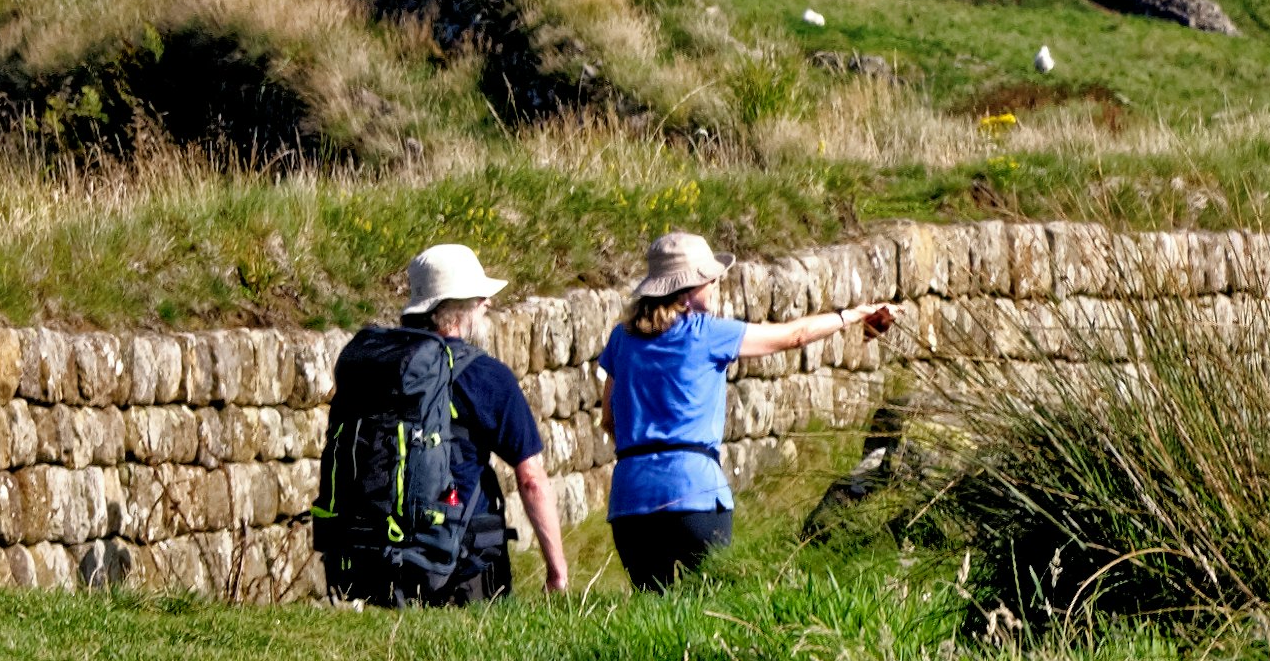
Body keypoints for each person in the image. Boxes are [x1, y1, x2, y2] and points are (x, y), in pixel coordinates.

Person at [596, 230, 894, 591]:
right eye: (711, 280)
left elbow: (609, 418)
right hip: (695, 491)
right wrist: (851, 315)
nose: (716, 286)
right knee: (709, 605)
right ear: (690, 289)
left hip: (631, 497)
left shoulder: (621, 339)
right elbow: (793, 336)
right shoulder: (707, 333)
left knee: (649, 608)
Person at [314, 244, 572, 606]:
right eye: (482, 297)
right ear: (461, 307)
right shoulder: (486, 375)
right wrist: (557, 572)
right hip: (461, 565)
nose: (488, 304)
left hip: (373, 559)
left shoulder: (380, 365)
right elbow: (531, 478)